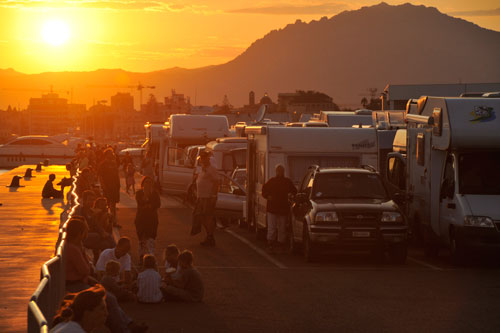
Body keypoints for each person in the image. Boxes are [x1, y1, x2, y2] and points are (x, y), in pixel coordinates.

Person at [262, 164, 297, 253]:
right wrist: (267, 196)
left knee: (281, 228)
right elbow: (264, 190)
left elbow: (294, 191)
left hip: (280, 209)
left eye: (281, 171)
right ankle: (271, 245)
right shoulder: (274, 181)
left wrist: (291, 195)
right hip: (274, 209)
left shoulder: (286, 182)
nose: (280, 172)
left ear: (283, 172)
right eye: (278, 171)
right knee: (273, 228)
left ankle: (278, 245)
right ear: (276, 171)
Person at [195, 152, 219, 247]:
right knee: (201, 216)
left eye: (204, 158)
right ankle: (209, 235)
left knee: (207, 217)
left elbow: (216, 182)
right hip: (201, 197)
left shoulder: (211, 169)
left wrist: (213, 196)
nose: (202, 160)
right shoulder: (202, 169)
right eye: (201, 158)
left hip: (208, 197)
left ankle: (210, 237)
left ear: (207, 159)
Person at [134, 176, 161, 263]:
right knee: (142, 240)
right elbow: (141, 204)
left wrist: (148, 203)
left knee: (151, 240)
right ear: (143, 183)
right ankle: (141, 257)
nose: (148, 184)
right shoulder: (139, 193)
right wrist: (147, 199)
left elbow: (157, 205)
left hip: (152, 220)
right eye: (146, 182)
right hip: (141, 219)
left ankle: (151, 258)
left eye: (150, 182)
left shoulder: (155, 194)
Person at [64, 217, 94, 293]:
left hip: (76, 282)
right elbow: (85, 270)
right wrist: (82, 251)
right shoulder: (73, 249)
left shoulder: (71, 245)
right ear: (80, 233)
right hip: (74, 285)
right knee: (110, 299)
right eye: (85, 231)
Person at [97, 148, 120, 221]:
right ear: (106, 155)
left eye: (112, 153)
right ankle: (106, 221)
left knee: (113, 205)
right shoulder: (103, 164)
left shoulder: (114, 163)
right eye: (110, 153)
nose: (111, 154)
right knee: (107, 204)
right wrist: (103, 186)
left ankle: (114, 221)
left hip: (115, 187)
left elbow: (117, 174)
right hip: (107, 187)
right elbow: (100, 176)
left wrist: (118, 185)